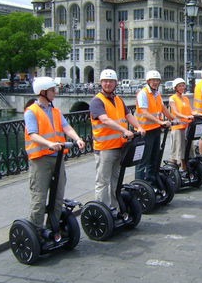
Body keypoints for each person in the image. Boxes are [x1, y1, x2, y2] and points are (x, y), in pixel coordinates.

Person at [24, 77, 85, 231]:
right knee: (39, 197)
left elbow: (66, 128)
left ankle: (53, 228)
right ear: (42, 92)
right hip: (40, 160)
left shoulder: (55, 111)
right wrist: (50, 144)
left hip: (57, 159)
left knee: (58, 197)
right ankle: (36, 231)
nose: (55, 92)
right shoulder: (31, 112)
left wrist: (77, 138)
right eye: (52, 90)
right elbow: (32, 135)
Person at [89, 69, 145, 209]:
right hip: (105, 148)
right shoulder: (97, 101)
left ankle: (115, 208)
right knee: (103, 182)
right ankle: (103, 211)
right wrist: (125, 130)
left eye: (111, 81)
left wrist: (138, 127)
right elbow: (105, 120)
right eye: (105, 81)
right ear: (101, 83)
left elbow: (128, 116)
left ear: (115, 83)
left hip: (119, 146)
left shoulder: (118, 99)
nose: (108, 84)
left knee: (116, 180)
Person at [135, 70, 174, 184]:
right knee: (143, 161)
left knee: (154, 158)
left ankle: (151, 183)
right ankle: (139, 184)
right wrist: (161, 122)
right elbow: (144, 113)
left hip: (156, 130)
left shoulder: (157, 93)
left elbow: (163, 108)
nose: (155, 82)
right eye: (153, 80)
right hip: (145, 132)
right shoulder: (143, 93)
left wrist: (173, 118)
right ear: (148, 81)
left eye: (157, 80)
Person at [169, 78, 196, 172]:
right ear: (175, 88)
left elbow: (190, 111)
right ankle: (171, 171)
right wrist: (186, 116)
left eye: (183, 85)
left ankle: (184, 171)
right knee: (177, 150)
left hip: (187, 128)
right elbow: (175, 112)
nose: (182, 87)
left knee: (186, 151)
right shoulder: (172, 98)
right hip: (177, 127)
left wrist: (197, 114)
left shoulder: (186, 99)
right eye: (180, 86)